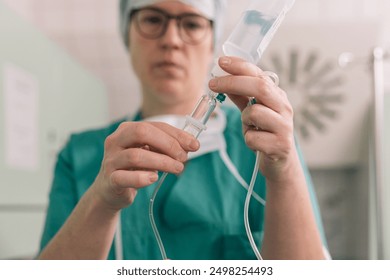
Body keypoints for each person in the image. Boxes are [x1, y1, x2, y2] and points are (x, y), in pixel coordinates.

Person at [38, 0, 328, 260]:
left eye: (191, 23)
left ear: (212, 41)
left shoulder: (265, 142)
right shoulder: (81, 156)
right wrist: (101, 201)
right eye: (153, 19)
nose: (171, 40)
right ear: (128, 32)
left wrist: (285, 169)